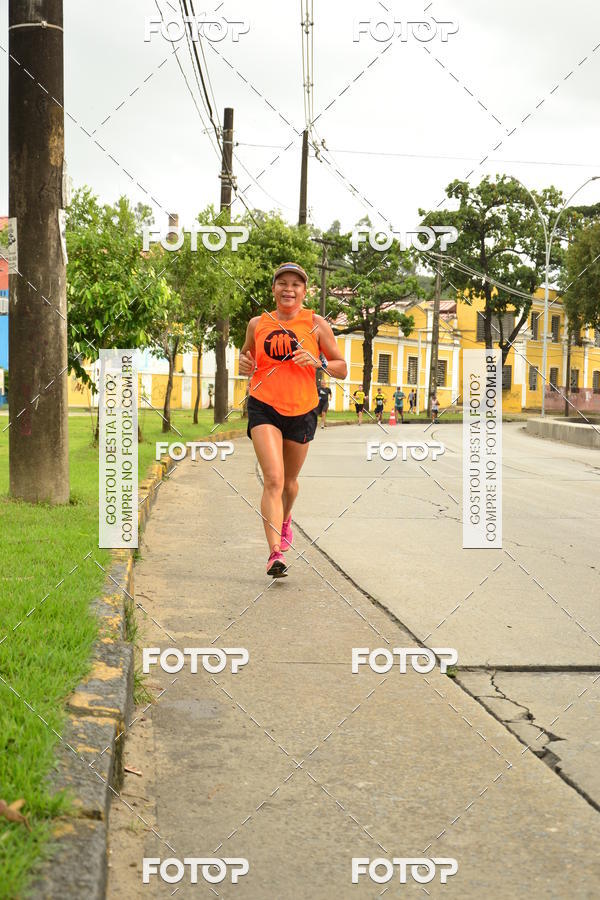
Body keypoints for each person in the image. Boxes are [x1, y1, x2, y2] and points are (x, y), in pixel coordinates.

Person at [239, 262, 348, 577]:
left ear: (304, 291)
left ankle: (285, 519)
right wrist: (245, 363)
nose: (289, 289)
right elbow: (247, 356)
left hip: (302, 409)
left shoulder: (316, 324)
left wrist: (318, 362)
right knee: (273, 478)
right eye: (282, 283)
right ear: (273, 289)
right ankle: (275, 553)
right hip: (264, 405)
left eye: (295, 284)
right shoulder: (257, 323)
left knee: (289, 482)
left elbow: (342, 367)